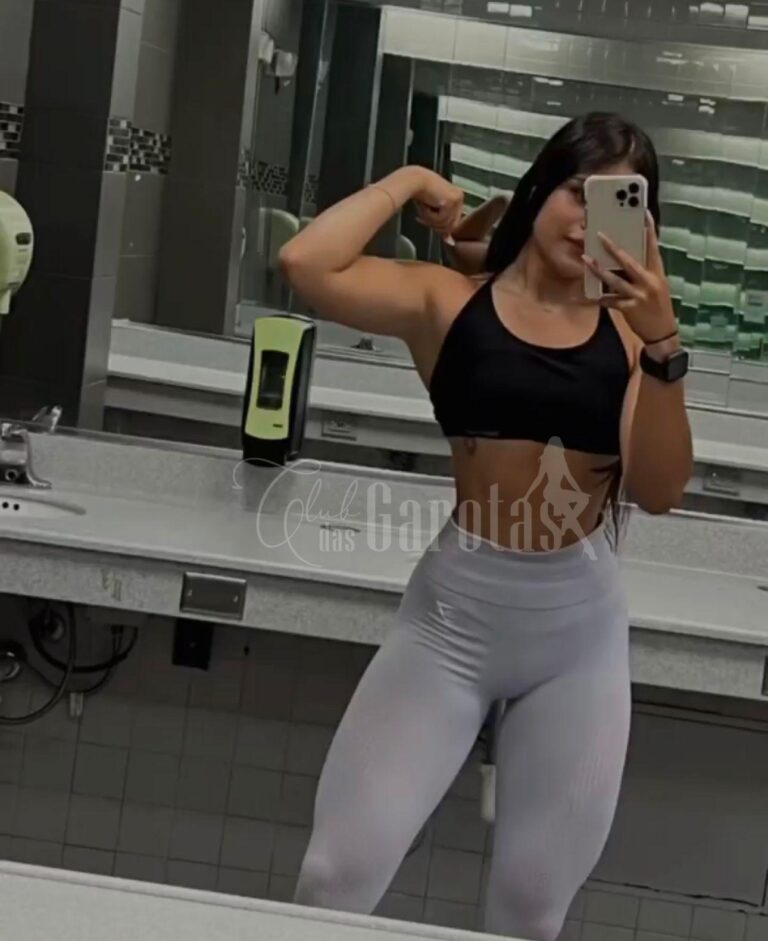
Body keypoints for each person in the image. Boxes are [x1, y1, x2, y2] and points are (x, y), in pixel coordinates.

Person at [278, 111, 693, 941]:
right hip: (451, 620)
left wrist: (663, 345)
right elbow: (304, 262)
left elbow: (659, 490)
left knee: (530, 912)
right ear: (539, 189)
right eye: (576, 191)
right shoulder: (451, 303)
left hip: (576, 636)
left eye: (616, 202)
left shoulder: (630, 335)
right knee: (332, 879)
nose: (585, 219)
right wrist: (409, 180)